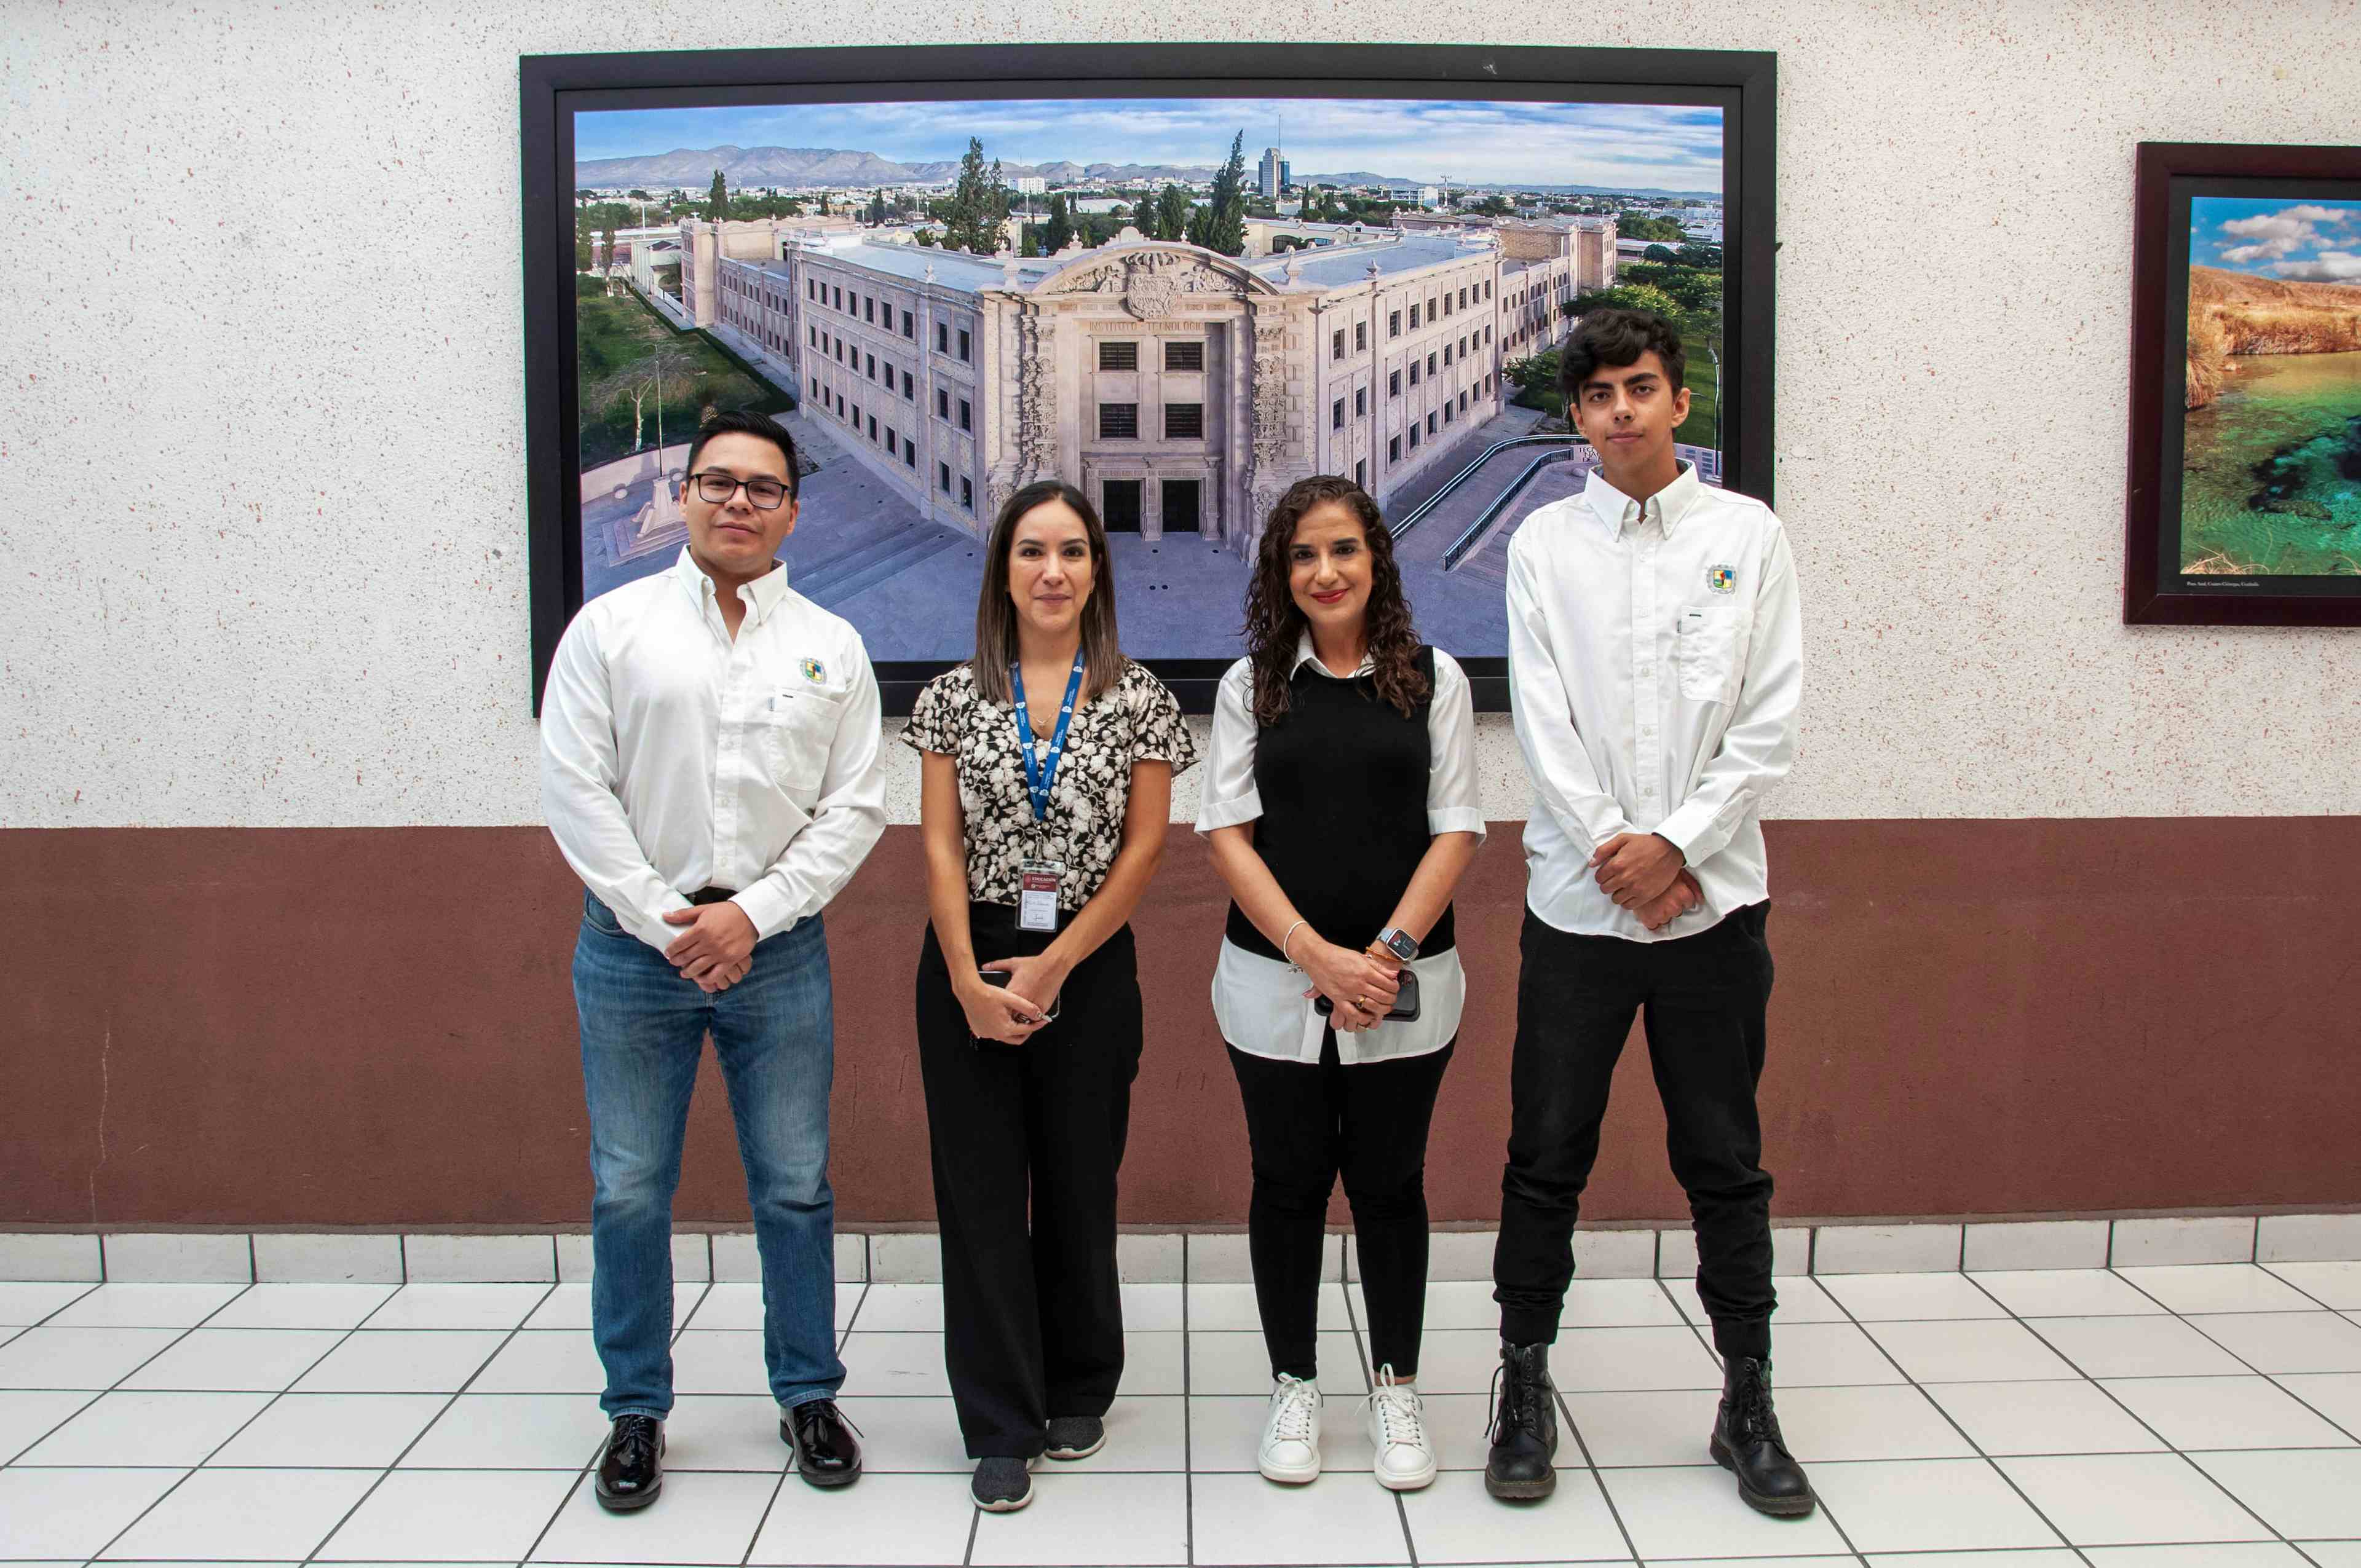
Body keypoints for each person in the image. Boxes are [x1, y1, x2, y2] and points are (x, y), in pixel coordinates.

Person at [1483, 308, 1809, 1518]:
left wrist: (1677, 844)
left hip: (1713, 909)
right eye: (1599, 393)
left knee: (1725, 1163)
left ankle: (1749, 1399)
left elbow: (1767, 720)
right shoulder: (1542, 546)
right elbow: (1543, 717)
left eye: (1642, 386)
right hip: (1578, 909)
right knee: (1544, 1159)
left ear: (1680, 400)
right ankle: (1523, 1388)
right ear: (1575, 417)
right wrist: (1620, 846)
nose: (1621, 407)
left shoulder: (1748, 535)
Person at [540, 409, 884, 1512]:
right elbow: (575, 790)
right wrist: (668, 921)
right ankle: (635, 1411)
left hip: (777, 954)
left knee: (793, 1186)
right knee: (630, 1188)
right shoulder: (611, 628)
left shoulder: (832, 645)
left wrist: (753, 916)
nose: (740, 502)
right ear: (687, 494)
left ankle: (807, 1395)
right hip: (636, 952)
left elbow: (854, 808)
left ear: (793, 508)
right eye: (718, 482)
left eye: (764, 487)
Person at [903, 479, 1198, 1513]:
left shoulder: (1141, 698)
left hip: (1087, 959)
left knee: (1079, 1182)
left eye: (1073, 551)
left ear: (1098, 571)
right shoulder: (949, 698)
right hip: (969, 958)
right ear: (1004, 570)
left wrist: (1056, 965)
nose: (1053, 571)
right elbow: (939, 845)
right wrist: (963, 979)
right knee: (981, 1195)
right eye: (1033, 551)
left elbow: (1145, 850)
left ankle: (1079, 1380)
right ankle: (998, 1419)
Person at [1196, 475, 1484, 1491]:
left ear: (1377, 562)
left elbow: (1458, 827)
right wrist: (1315, 955)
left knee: (1391, 1186)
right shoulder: (1252, 684)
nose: (1325, 572)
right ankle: (1295, 1383)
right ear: (1283, 573)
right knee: (1286, 1185)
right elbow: (1225, 832)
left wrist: (1384, 959)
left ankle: (1395, 1388)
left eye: (1344, 551)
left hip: (1406, 983)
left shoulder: (1431, 677)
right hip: (1273, 983)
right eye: (1304, 556)